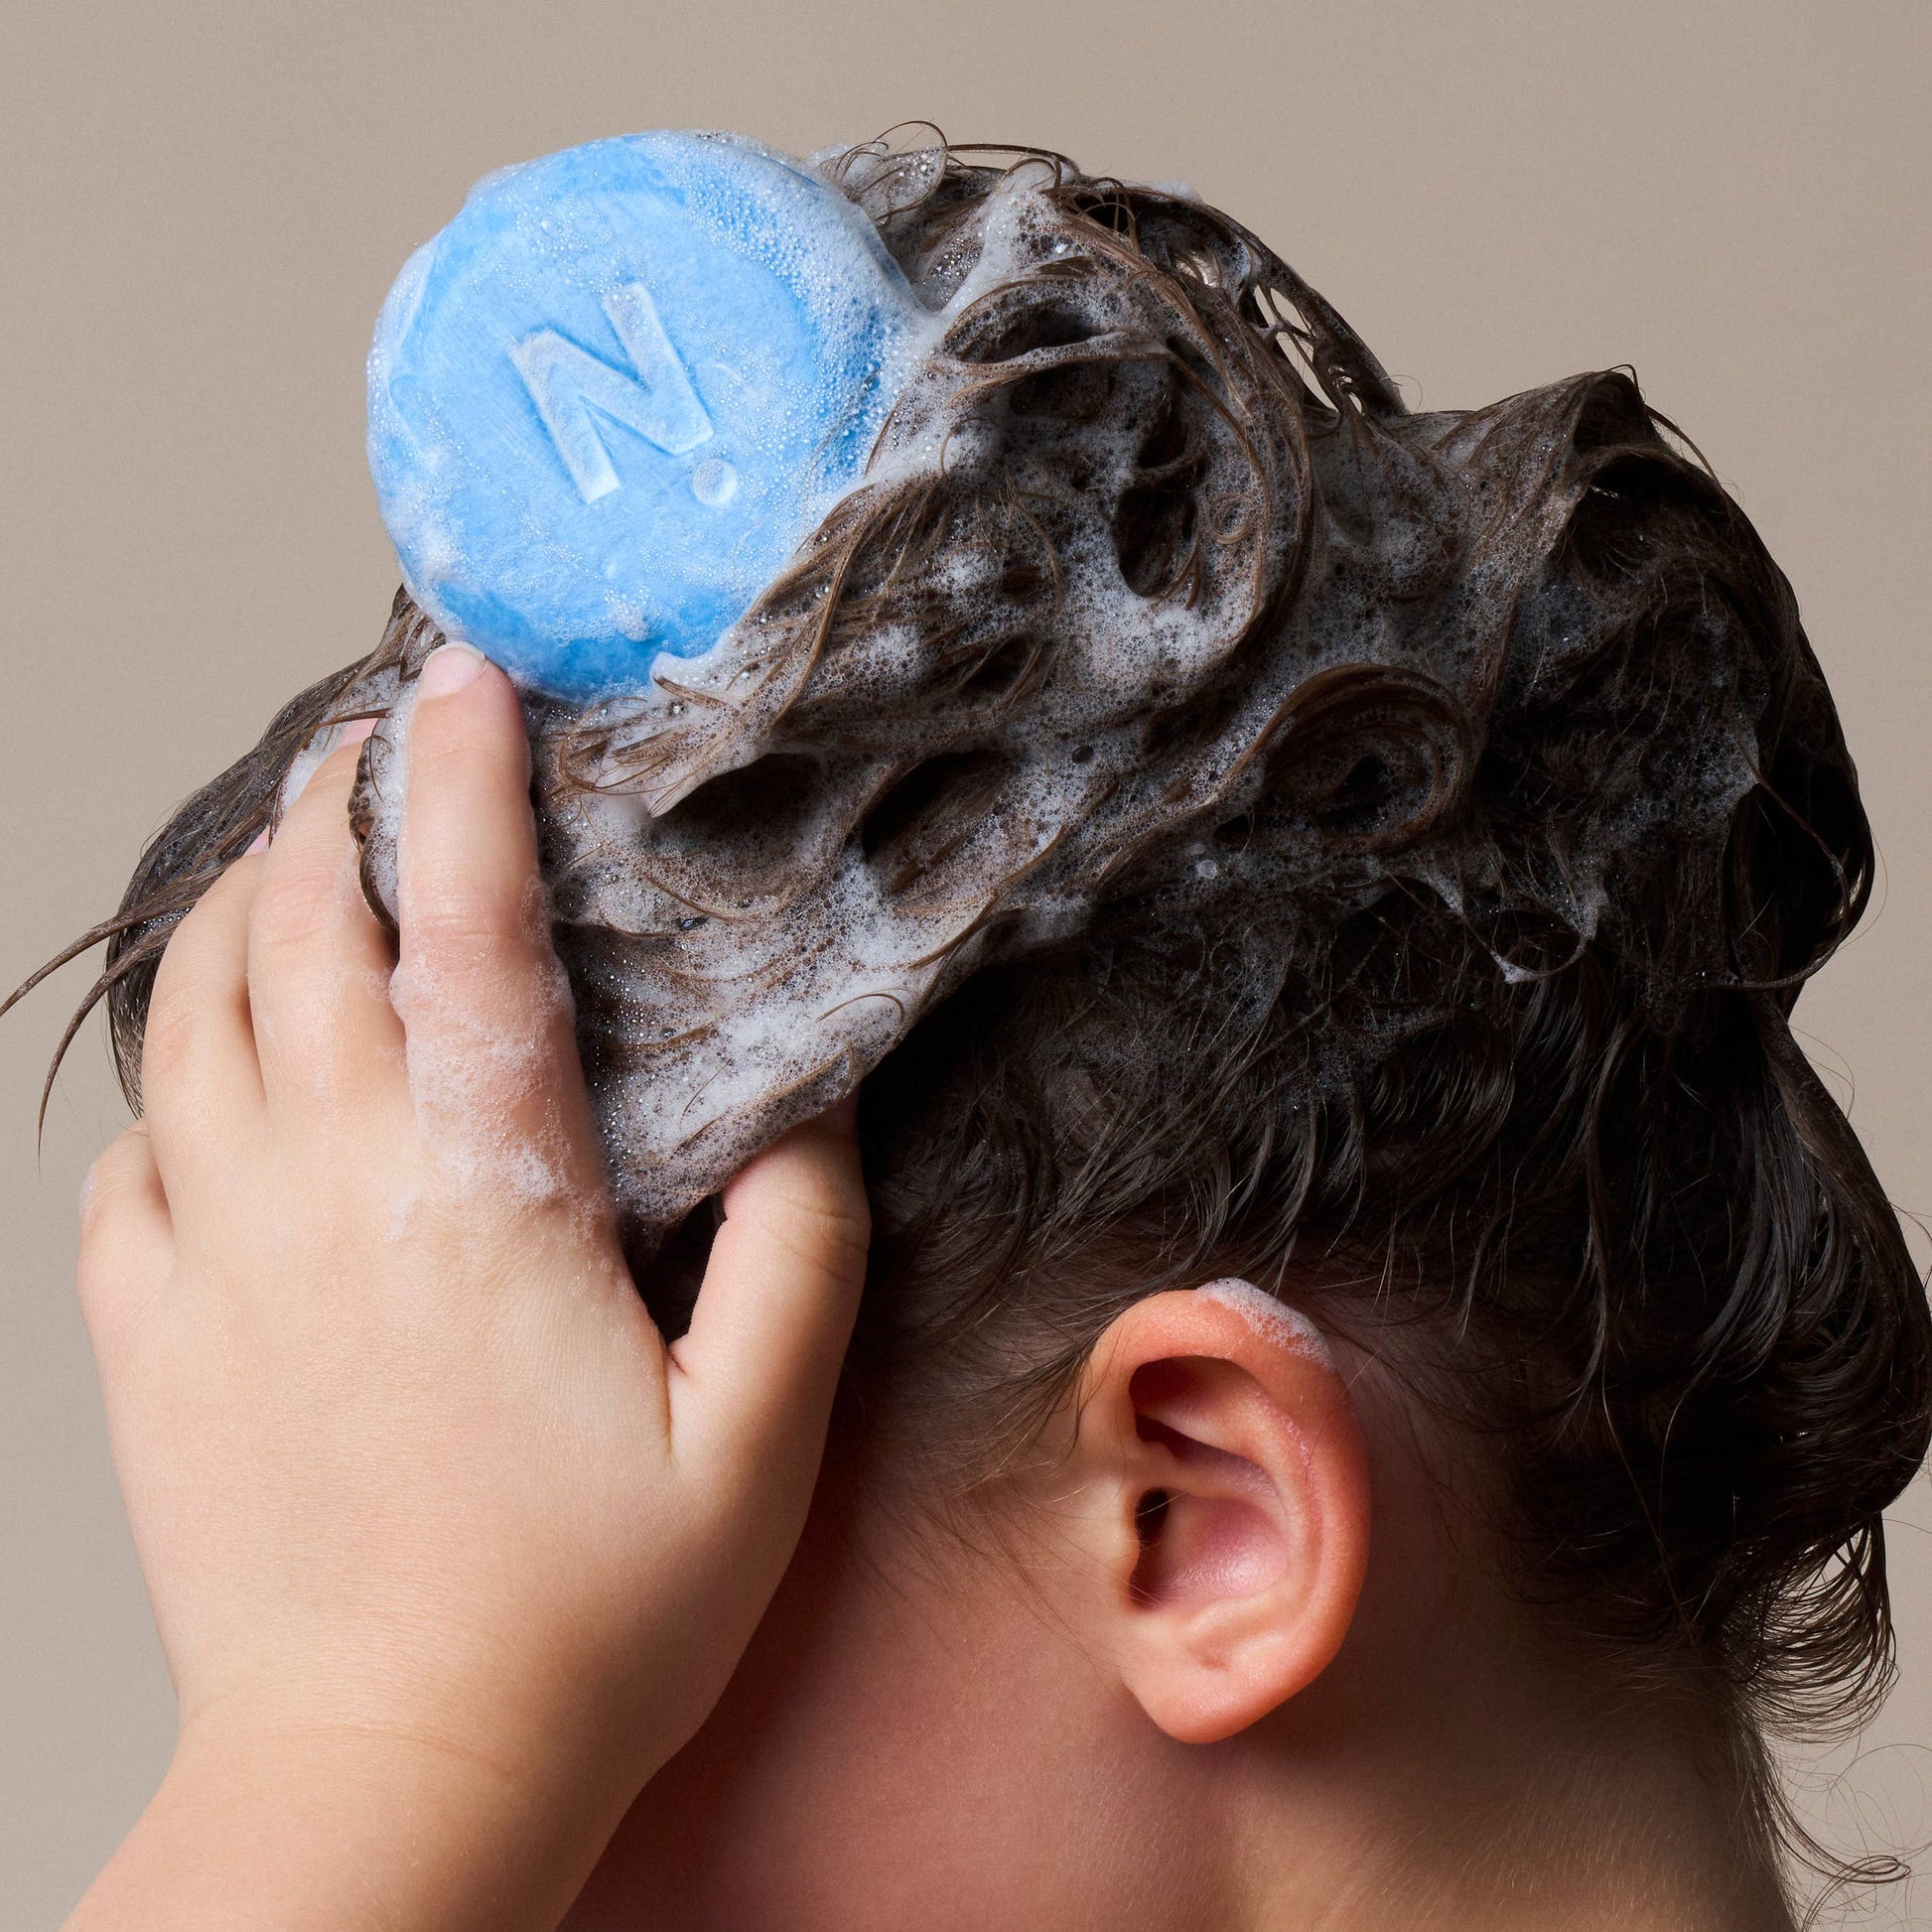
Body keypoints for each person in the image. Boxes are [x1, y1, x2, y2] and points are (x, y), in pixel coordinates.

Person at [44, 139, 1932, 1931]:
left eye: (544, 1622)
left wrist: (370, 1735)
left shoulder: (396, 1779)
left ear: (1194, 1520)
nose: (483, 1867)